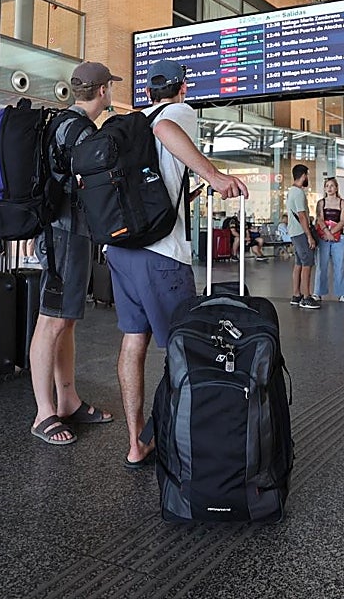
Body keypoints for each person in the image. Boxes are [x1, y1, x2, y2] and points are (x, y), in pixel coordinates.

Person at [105, 60, 248, 469]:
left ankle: (136, 442)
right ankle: (186, 439)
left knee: (133, 342)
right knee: (186, 347)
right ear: (183, 87)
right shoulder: (176, 113)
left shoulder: (131, 123)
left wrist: (194, 188)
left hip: (121, 250)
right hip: (161, 255)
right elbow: (166, 130)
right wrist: (216, 176)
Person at [29, 62, 120, 446]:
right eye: (110, 89)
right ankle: (43, 413)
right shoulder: (78, 130)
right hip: (63, 234)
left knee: (65, 321)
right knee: (51, 321)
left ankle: (67, 400)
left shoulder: (65, 124)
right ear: (102, 91)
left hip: (69, 233)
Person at [286, 164, 319, 309]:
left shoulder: (291, 191)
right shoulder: (298, 193)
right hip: (300, 233)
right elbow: (302, 216)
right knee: (307, 263)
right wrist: (309, 236)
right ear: (304, 175)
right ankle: (306, 297)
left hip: (294, 232)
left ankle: (296, 295)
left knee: (299, 263)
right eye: (307, 175)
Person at [313, 177, 344, 302]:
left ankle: (342, 293)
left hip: (339, 237)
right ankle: (318, 292)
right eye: (327, 186)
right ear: (324, 188)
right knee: (321, 265)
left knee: (340, 265)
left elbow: (343, 220)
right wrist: (326, 232)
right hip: (323, 236)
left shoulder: (342, 203)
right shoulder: (321, 203)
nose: (329, 188)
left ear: (336, 188)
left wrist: (332, 233)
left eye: (332, 186)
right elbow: (319, 218)